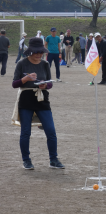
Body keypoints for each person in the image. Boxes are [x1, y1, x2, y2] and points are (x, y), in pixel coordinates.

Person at [12, 37, 65, 170]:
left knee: (51, 131)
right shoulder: (22, 64)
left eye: (41, 52)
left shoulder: (45, 64)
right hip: (26, 99)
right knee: (25, 132)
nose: (39, 55)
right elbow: (14, 84)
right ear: (30, 52)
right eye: (36, 52)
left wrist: (45, 85)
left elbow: (50, 83)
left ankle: (53, 159)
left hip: (42, 99)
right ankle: (26, 160)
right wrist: (25, 79)